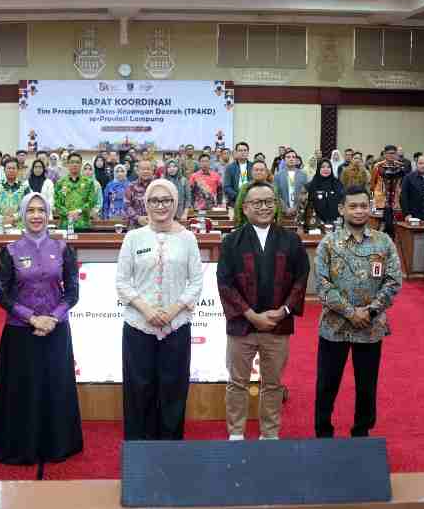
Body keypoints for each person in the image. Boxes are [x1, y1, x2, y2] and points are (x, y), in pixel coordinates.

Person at [0, 192, 83, 464]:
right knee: (23, 389)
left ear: (49, 214)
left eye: (41, 210)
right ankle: (22, 447)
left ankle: (57, 445)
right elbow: (2, 296)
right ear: (22, 214)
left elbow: (73, 292)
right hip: (20, 332)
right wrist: (32, 318)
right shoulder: (10, 251)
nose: (36, 215)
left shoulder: (63, 249)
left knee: (55, 386)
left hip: (57, 329)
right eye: (30, 210)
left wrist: (52, 317)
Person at [217, 181, 309, 440]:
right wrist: (250, 314)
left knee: (273, 384)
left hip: (278, 325)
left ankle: (270, 433)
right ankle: (236, 433)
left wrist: (284, 311)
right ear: (245, 208)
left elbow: (302, 278)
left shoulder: (291, 240)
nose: (264, 207)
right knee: (237, 382)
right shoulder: (231, 241)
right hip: (242, 325)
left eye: (269, 201)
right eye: (257, 203)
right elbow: (224, 283)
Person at [116, 179, 204, 440]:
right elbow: (122, 281)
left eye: (166, 200)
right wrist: (147, 310)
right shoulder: (133, 238)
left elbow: (197, 282)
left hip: (176, 326)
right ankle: (138, 446)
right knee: (139, 386)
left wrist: (173, 311)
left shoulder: (188, 239)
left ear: (175, 203)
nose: (161, 205)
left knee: (173, 387)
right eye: (155, 200)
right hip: (138, 325)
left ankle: (169, 447)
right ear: (146, 204)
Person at [314, 185, 402, 438]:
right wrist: (351, 313)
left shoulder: (383, 241)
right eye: (353, 206)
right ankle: (323, 433)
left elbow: (393, 281)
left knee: (366, 386)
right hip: (334, 327)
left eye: (364, 205)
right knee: (327, 385)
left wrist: (371, 312)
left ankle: (361, 433)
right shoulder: (328, 244)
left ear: (370, 208)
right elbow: (322, 284)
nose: (359, 211)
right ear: (342, 209)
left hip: (370, 327)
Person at [233, 160, 285, 228]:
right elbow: (238, 207)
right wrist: (239, 226)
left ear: (266, 172)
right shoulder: (244, 188)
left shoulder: (273, 188)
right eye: (256, 170)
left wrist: (278, 225)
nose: (259, 172)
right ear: (251, 172)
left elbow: (278, 208)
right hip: (248, 225)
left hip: (268, 225)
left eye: (261, 170)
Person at [54, 153, 96, 231]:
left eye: (77, 162)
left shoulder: (89, 182)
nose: (75, 164)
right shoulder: (60, 183)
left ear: (81, 165)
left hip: (83, 224)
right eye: (72, 162)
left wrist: (79, 211)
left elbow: (92, 201)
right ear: (67, 164)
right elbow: (57, 202)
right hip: (65, 224)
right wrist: (68, 213)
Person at [299, 159, 345, 226]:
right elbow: (302, 202)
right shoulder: (310, 185)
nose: (326, 169)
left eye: (328, 167)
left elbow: (343, 202)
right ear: (318, 169)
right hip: (315, 223)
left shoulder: (338, 184)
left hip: (335, 223)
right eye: (323, 167)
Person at [0, 160, 31, 229]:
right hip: (0, 224)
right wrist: (2, 218)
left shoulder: (25, 187)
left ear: (18, 170)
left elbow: (27, 206)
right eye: (9, 168)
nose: (11, 170)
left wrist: (14, 217)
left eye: (13, 168)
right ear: (4, 170)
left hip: (19, 225)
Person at [273, 149, 308, 216]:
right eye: (288, 157)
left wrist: (296, 207)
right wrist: (285, 208)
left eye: (293, 157)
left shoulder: (303, 175)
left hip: (298, 211)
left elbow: (304, 193)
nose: (291, 159)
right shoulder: (278, 175)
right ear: (284, 159)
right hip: (283, 211)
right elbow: (276, 194)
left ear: (296, 160)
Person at [124, 159, 155, 229]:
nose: (145, 171)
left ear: (152, 171)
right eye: (143, 169)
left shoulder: (157, 186)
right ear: (137, 171)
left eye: (148, 169)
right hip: (135, 225)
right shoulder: (131, 186)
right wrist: (138, 218)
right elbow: (126, 206)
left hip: (154, 225)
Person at [224, 142, 253, 207]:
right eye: (240, 150)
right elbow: (227, 187)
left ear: (248, 152)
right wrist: (238, 196)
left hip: (251, 201)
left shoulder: (253, 166)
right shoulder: (230, 168)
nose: (243, 152)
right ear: (236, 152)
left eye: (245, 150)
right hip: (235, 201)